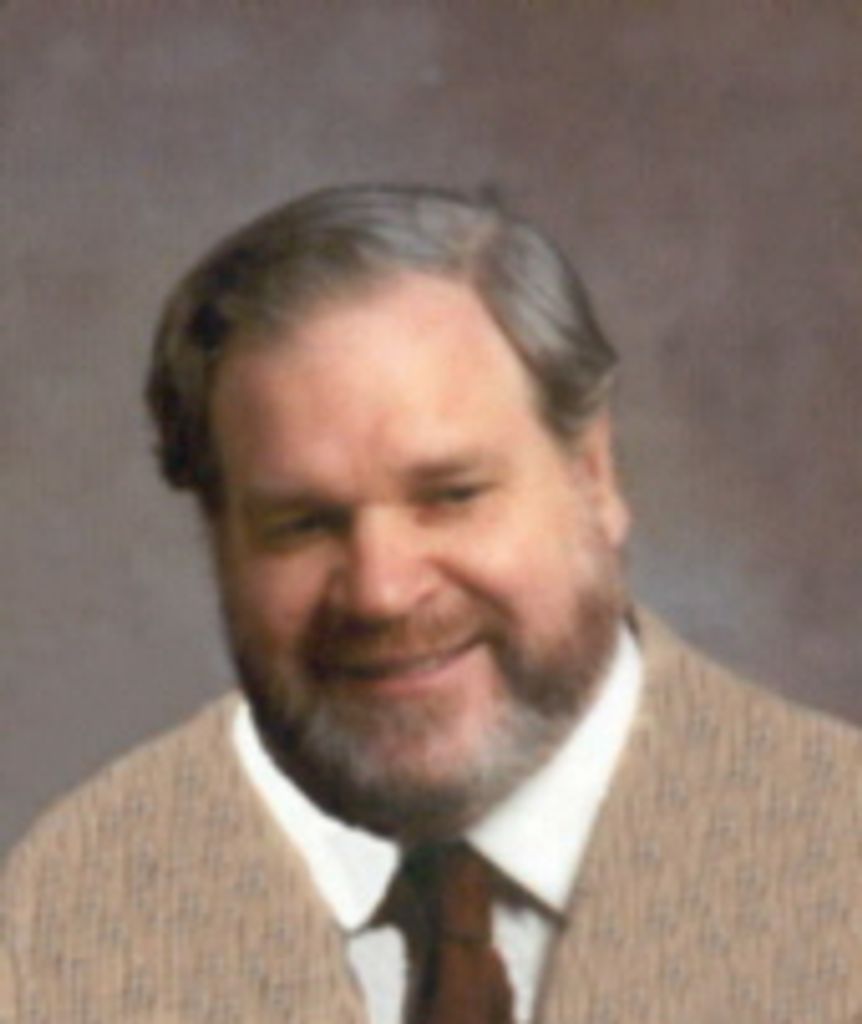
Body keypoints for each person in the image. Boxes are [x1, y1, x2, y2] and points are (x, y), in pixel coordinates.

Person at [2, 184, 859, 1024]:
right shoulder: (66, 917)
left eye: (452, 495)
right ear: (217, 539)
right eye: (302, 524)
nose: (380, 592)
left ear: (594, 476)